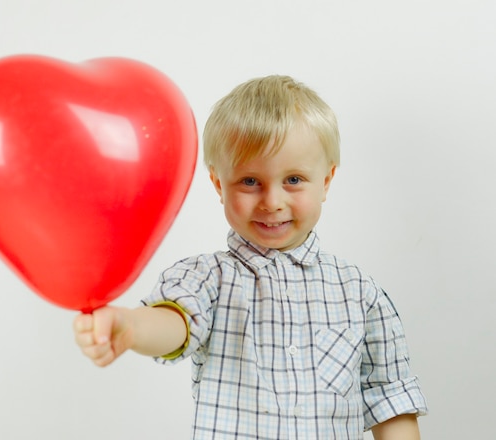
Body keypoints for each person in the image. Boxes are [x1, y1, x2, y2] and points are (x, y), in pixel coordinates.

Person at [74, 75, 428, 439]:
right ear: (218, 184)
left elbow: (390, 399)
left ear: (326, 181)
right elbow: (176, 322)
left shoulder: (361, 293)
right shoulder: (206, 277)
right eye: (249, 181)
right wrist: (132, 327)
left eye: (293, 179)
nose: (272, 201)